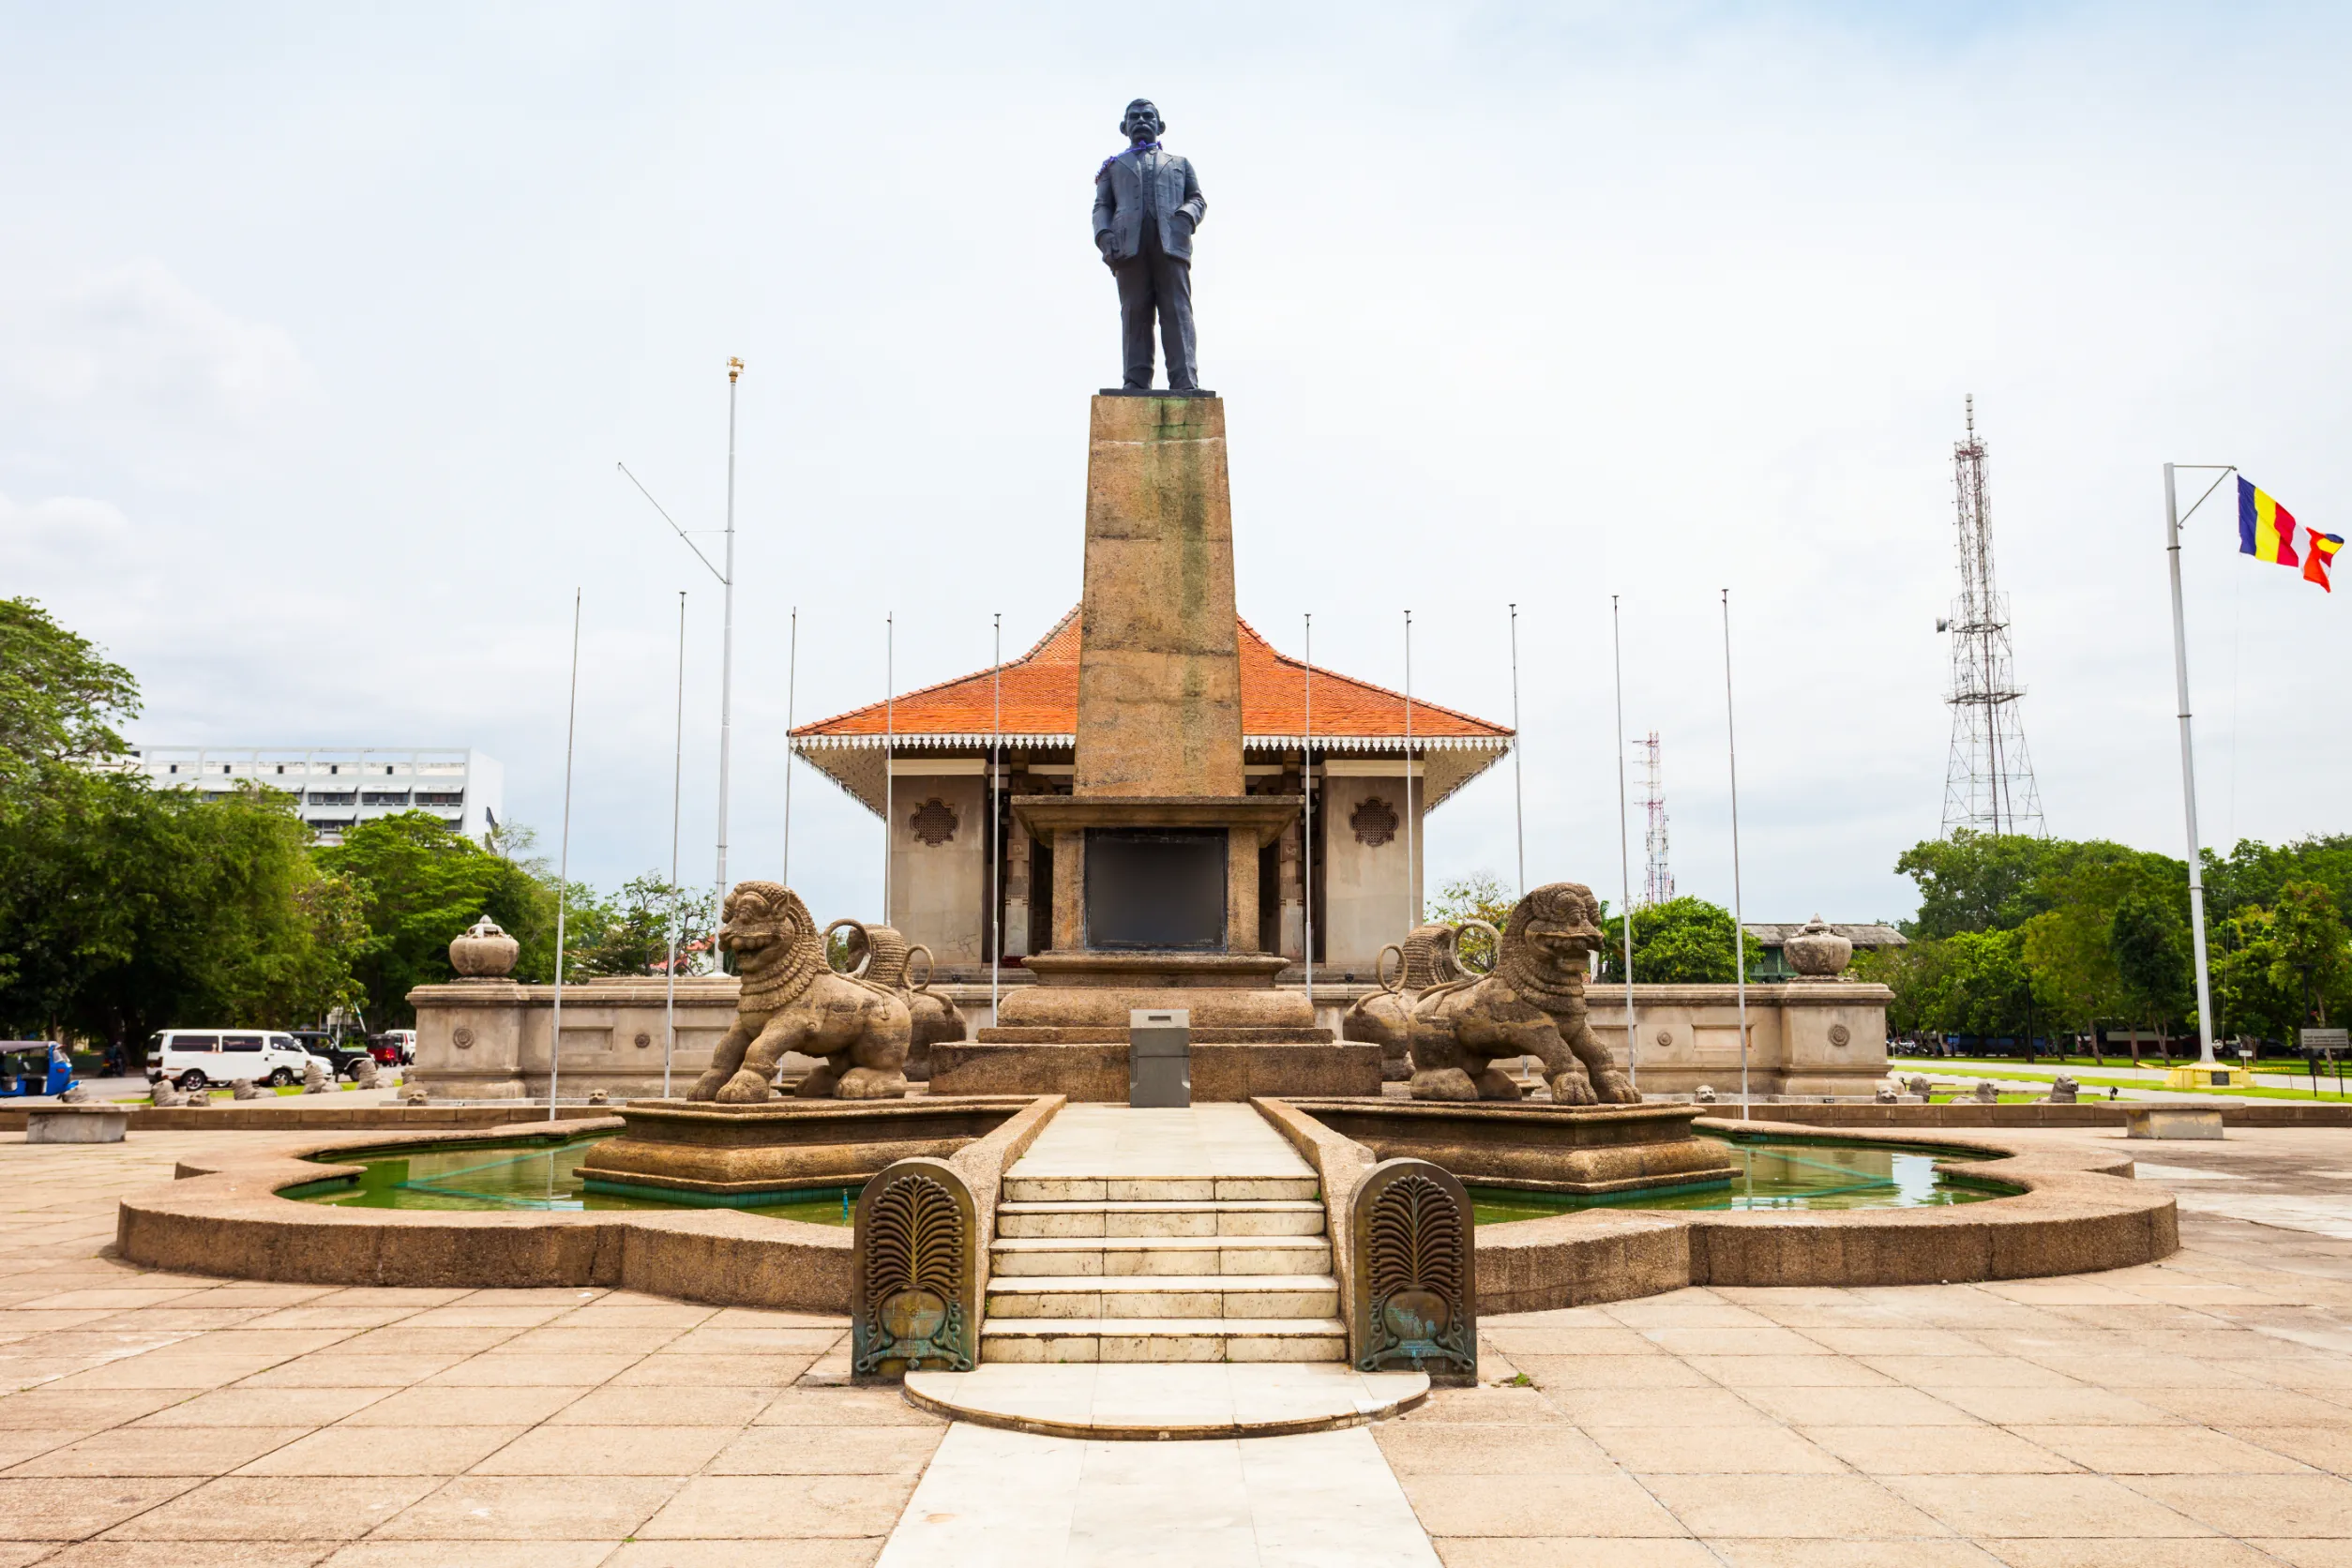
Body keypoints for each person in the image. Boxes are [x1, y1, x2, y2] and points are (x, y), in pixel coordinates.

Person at [1093, 98, 1206, 391]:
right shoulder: (1113, 168)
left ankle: (1185, 380)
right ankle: (1135, 380)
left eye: (1147, 116)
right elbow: (1102, 206)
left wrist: (1186, 217)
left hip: (1171, 243)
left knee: (1177, 310)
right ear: (1124, 127)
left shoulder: (1180, 164)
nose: (1141, 121)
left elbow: (1197, 199)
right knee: (1134, 313)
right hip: (1128, 246)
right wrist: (1104, 235)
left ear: (1160, 125)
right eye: (1135, 117)